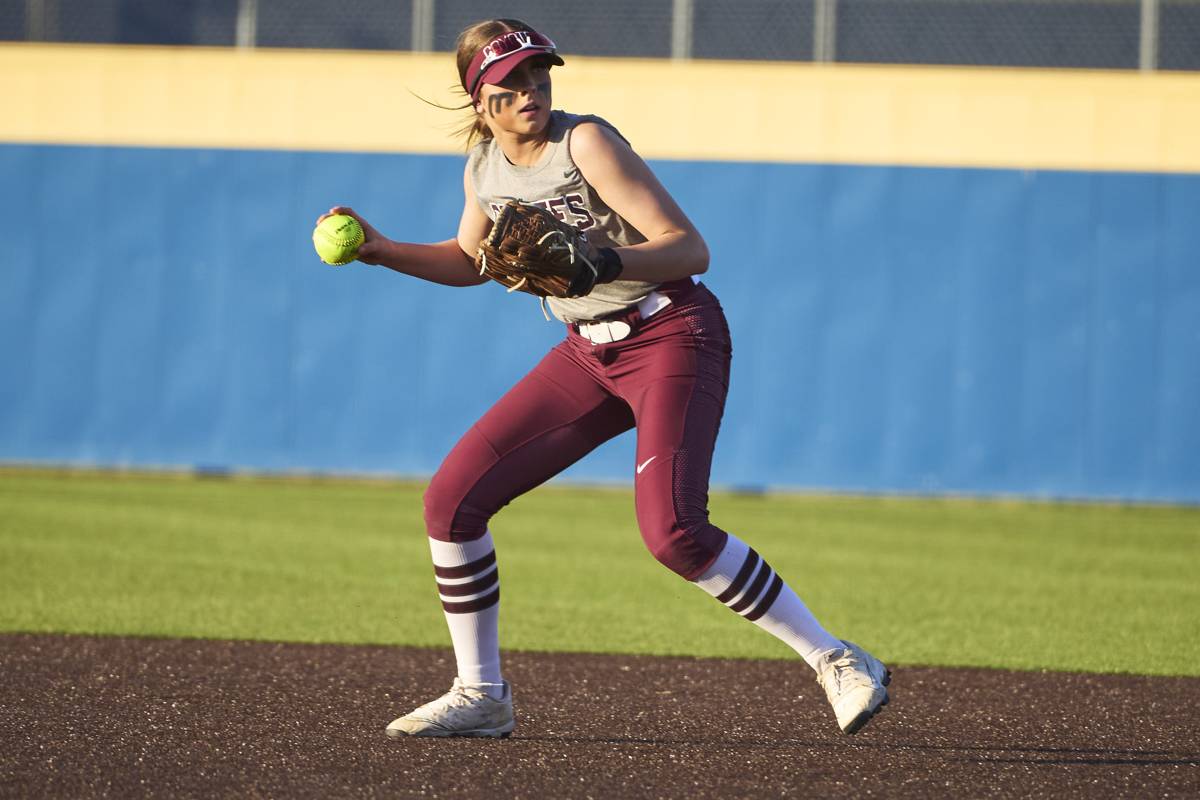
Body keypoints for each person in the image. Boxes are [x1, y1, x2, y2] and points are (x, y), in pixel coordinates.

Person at [317, 18, 890, 740]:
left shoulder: (581, 140)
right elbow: (473, 262)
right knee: (451, 502)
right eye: (511, 83)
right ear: (479, 101)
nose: (531, 90)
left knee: (675, 533)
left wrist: (604, 259)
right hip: (587, 353)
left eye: (538, 74)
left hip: (671, 331)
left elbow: (690, 248)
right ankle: (482, 693)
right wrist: (380, 249)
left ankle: (836, 659)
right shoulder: (484, 169)